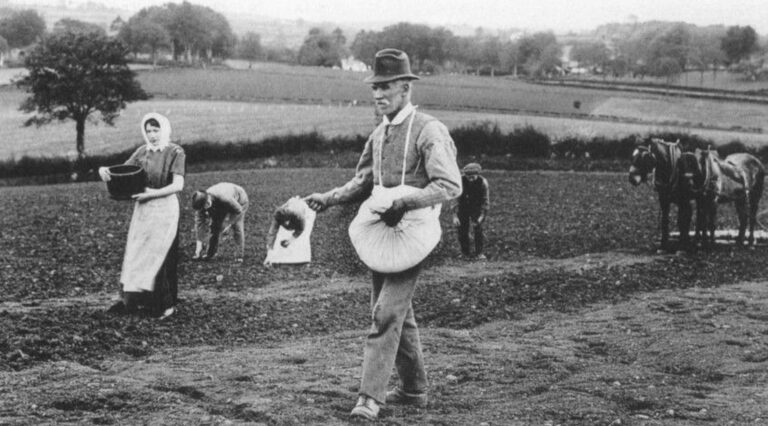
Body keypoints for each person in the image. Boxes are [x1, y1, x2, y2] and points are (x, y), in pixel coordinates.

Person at [304, 48, 462, 420]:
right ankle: (414, 389)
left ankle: (370, 397)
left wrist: (406, 202)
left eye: (386, 86)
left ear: (406, 87)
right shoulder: (379, 134)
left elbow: (449, 184)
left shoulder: (429, 130)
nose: (378, 94)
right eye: (375, 87)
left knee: (386, 313)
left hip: (414, 233)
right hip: (380, 230)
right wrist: (326, 199)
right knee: (394, 314)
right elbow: (363, 181)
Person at [98, 112, 185, 319]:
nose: (152, 135)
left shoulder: (175, 152)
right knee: (137, 253)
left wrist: (152, 193)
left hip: (164, 207)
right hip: (144, 209)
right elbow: (123, 171)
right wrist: (105, 171)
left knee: (159, 254)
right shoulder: (142, 151)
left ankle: (166, 304)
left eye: (156, 130)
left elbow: (178, 185)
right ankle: (133, 301)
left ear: (163, 130)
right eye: (148, 131)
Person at [191, 182, 249, 262]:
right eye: (204, 207)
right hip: (220, 204)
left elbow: (239, 211)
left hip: (239, 200)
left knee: (237, 226)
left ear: (208, 197)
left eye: (207, 204)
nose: (206, 207)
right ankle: (210, 254)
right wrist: (198, 247)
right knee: (214, 227)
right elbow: (200, 225)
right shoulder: (200, 207)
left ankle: (239, 256)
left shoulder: (224, 197)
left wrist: (228, 224)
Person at [452, 162, 490, 260]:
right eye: (468, 177)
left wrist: (482, 216)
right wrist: (455, 215)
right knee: (462, 230)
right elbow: (455, 199)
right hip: (463, 207)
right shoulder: (460, 181)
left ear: (478, 174)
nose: (471, 179)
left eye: (473, 177)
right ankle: (465, 253)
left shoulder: (483, 182)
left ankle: (479, 253)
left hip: (476, 207)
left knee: (478, 229)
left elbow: (485, 200)